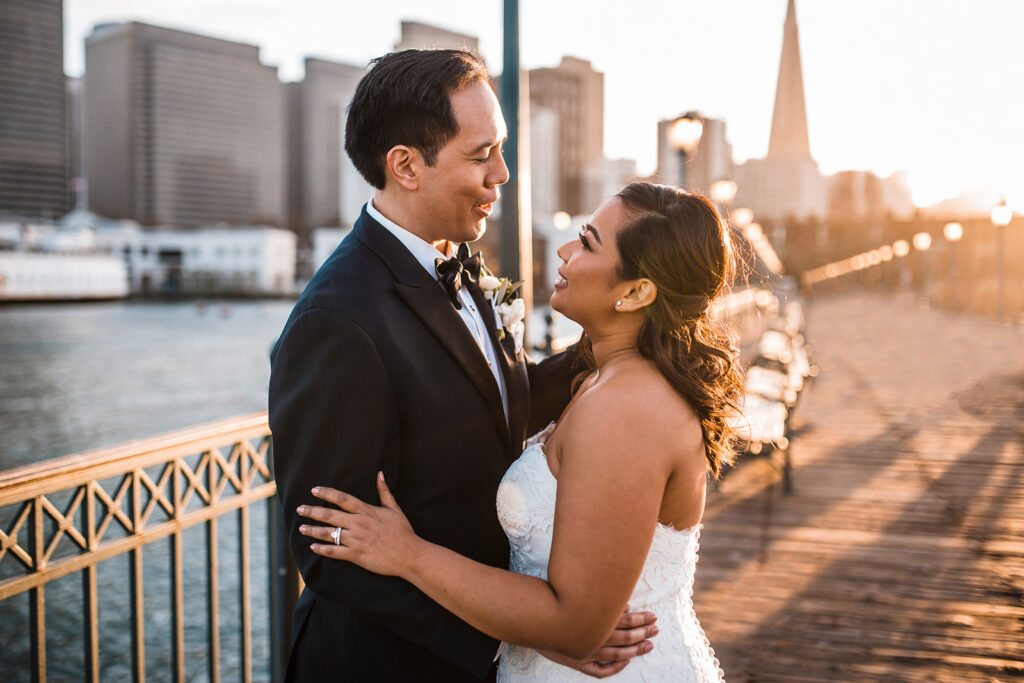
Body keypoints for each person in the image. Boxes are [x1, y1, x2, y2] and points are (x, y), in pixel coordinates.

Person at [268, 49, 656, 682]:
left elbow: (496, 402)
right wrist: (522, 640)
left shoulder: (456, 259)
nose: (502, 173)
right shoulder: (335, 324)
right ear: (405, 166)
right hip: (385, 665)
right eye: (481, 156)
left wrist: (617, 343)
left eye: (500, 149)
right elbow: (330, 550)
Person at [297, 182, 743, 682]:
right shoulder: (603, 379)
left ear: (637, 293)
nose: (565, 250)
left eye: (589, 243)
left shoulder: (627, 408)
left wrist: (408, 554)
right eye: (579, 234)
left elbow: (575, 626)